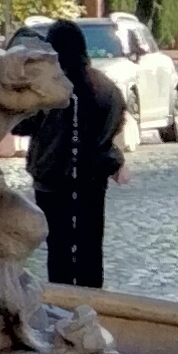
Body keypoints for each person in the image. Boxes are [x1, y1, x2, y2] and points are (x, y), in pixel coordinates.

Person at [24, 18, 127, 288]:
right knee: (90, 249)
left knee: (58, 250)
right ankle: (90, 303)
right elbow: (114, 125)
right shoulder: (105, 88)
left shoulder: (47, 90)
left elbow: (22, 125)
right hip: (91, 180)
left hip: (51, 179)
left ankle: (63, 304)